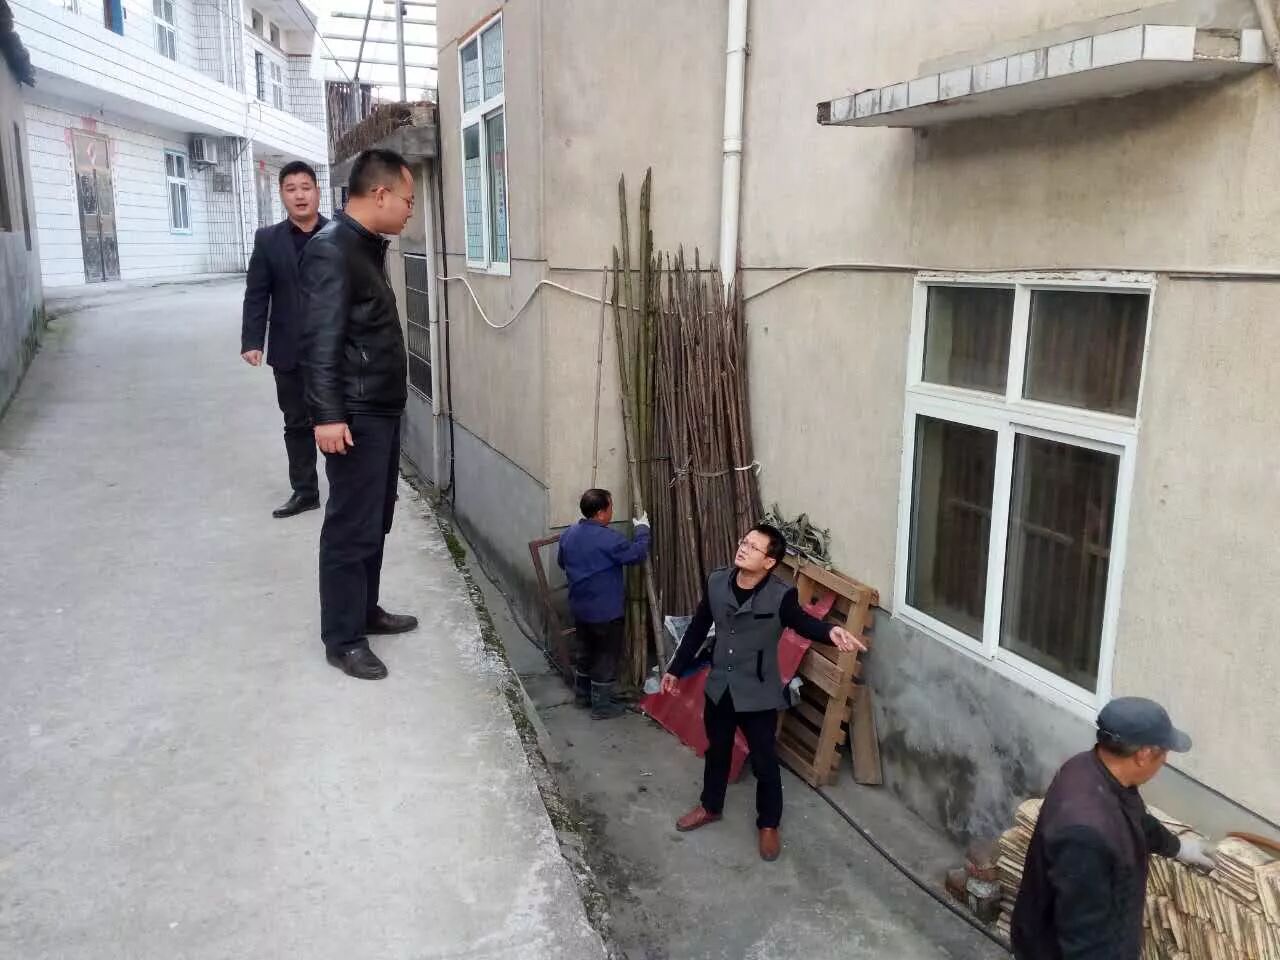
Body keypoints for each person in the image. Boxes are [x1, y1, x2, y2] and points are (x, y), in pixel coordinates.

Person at [661, 524, 865, 861]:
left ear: (769, 562)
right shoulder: (717, 582)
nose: (743, 548)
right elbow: (698, 628)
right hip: (720, 687)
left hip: (757, 692)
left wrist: (830, 631)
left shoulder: (780, 596)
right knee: (717, 751)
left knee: (764, 760)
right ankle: (710, 806)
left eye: (753, 547)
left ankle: (768, 823)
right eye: (744, 542)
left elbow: (803, 623)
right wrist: (675, 668)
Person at [298, 149, 419, 681]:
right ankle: (343, 639)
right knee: (350, 526)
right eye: (408, 200)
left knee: (376, 518)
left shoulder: (364, 246)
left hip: (380, 410)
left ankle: (365, 610)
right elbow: (319, 341)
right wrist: (327, 415)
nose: (411, 210)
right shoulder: (332, 249)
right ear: (380, 194)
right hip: (354, 414)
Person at [1012, 697, 1217, 960]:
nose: (1165, 760)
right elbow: (1083, 939)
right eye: (1164, 753)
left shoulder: (1089, 767)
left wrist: (1180, 848)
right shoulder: (1086, 835)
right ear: (1143, 754)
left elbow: (1137, 818)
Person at [240, 160, 329, 519]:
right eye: (291, 189)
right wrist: (252, 340)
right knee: (296, 423)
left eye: (305, 187)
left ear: (317, 191)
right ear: (281, 195)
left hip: (333, 349)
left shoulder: (338, 233)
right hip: (288, 349)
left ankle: (350, 490)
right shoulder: (268, 240)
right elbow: (256, 294)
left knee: (342, 420)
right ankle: (305, 491)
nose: (299, 195)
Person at [556, 488, 651, 719]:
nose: (612, 511)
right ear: (600, 512)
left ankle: (582, 696)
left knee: (585, 651)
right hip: (605, 610)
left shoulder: (568, 534)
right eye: (610, 507)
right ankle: (601, 706)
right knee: (605, 656)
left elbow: (561, 562)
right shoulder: (609, 539)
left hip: (580, 607)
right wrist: (642, 530)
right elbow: (636, 554)